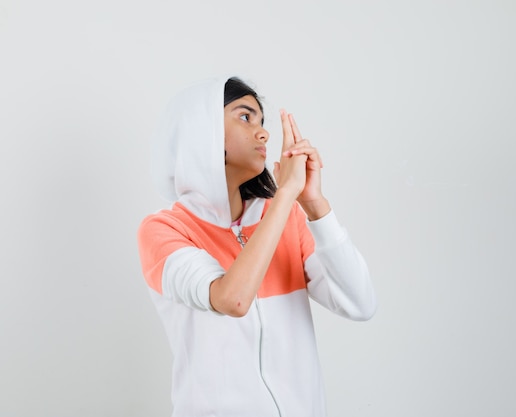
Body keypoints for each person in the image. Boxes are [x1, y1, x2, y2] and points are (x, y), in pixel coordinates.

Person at [137, 75, 377, 417]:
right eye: (245, 116)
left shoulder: (286, 217)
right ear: (201, 130)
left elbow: (360, 304)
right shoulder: (164, 229)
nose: (263, 133)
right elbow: (231, 299)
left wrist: (314, 205)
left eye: (262, 121)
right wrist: (284, 195)